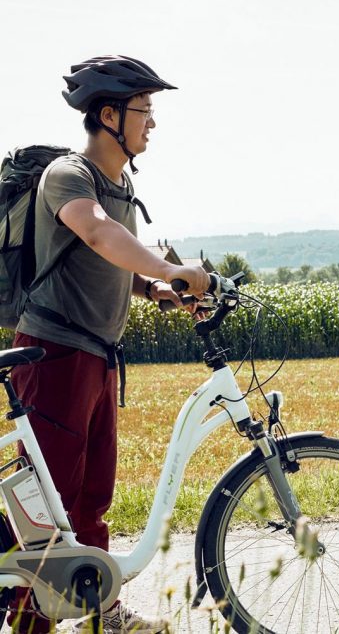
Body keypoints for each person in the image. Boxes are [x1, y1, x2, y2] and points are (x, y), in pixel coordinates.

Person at [8, 56, 210, 634]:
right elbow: (97, 232)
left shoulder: (121, 184)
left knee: (92, 494)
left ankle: (99, 608)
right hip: (52, 357)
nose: (152, 123)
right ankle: (30, 623)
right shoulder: (70, 177)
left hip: (96, 356)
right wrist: (174, 270)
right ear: (108, 114)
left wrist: (157, 288)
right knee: (46, 508)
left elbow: (112, 261)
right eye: (144, 110)